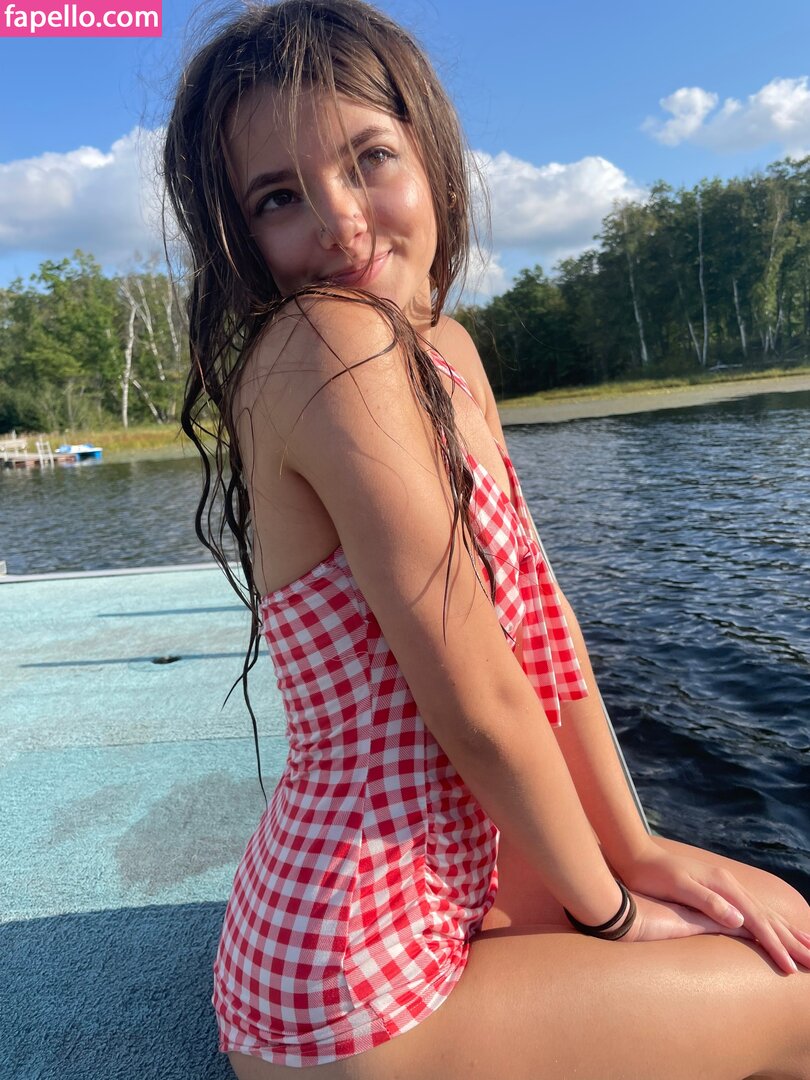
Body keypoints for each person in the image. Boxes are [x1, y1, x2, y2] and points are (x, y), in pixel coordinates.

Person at [163, 2, 810, 1076]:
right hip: (354, 982)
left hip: (443, 875)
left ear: (433, 157)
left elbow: (544, 631)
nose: (340, 222)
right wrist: (613, 914)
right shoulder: (328, 343)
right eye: (279, 197)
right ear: (241, 237)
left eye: (369, 159)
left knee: (774, 914)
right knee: (799, 999)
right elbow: (478, 702)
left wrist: (637, 847)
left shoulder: (446, 350)